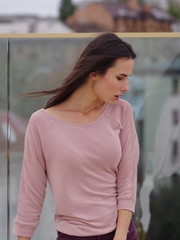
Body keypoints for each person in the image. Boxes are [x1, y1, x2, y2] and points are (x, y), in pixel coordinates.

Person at [13, 33, 139, 240]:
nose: (126, 88)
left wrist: (121, 234)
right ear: (94, 73)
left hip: (121, 233)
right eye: (120, 78)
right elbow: (31, 194)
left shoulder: (121, 111)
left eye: (128, 78)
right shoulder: (42, 123)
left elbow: (127, 181)